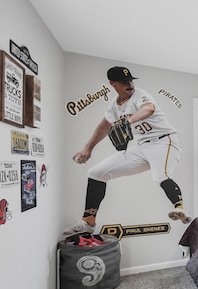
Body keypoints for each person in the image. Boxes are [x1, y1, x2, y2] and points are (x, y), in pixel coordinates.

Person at [62, 66, 191, 236]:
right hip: (142, 146)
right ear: (112, 83)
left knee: (161, 175)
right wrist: (88, 147)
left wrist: (128, 121)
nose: (129, 84)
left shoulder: (139, 95)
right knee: (96, 172)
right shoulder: (114, 106)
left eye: (130, 80)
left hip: (164, 141)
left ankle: (180, 210)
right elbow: (103, 126)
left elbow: (149, 109)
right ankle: (88, 221)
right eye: (124, 82)